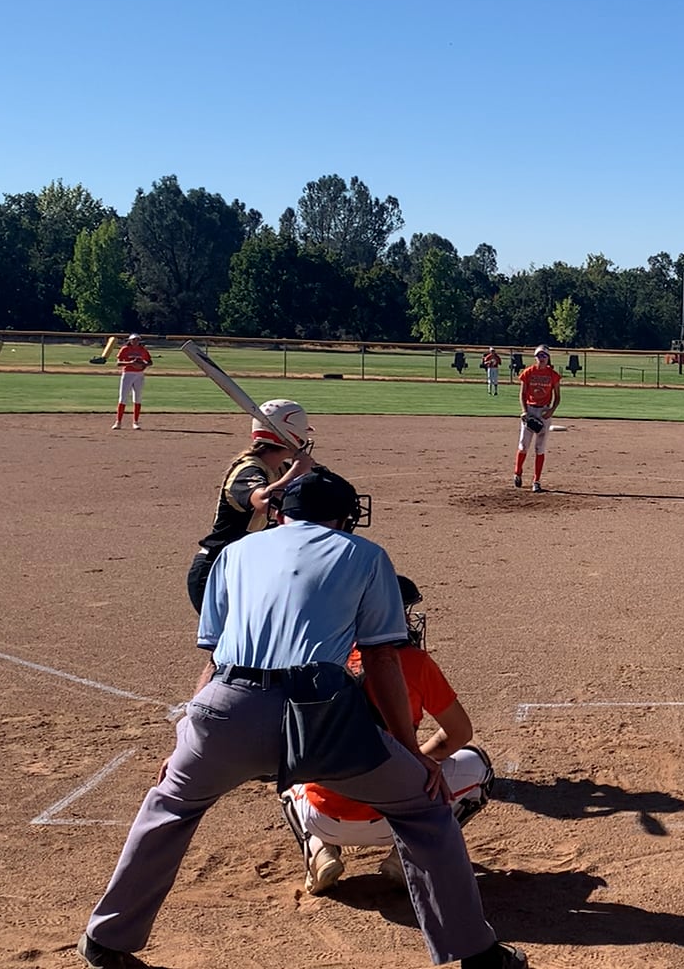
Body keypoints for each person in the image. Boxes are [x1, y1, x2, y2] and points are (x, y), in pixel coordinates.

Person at [80, 470, 527, 969]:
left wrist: (184, 740)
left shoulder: (235, 553)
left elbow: (213, 659)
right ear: (344, 517)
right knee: (423, 806)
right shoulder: (364, 555)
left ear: (281, 512)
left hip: (225, 706)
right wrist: (407, 750)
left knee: (169, 806)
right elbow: (381, 659)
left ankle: (106, 939)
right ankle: (477, 956)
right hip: (319, 714)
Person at [281, 575, 495, 893]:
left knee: (289, 768)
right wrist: (417, 760)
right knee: (480, 766)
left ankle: (318, 849)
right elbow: (459, 733)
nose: (407, 619)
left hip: (323, 816)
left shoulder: (318, 658)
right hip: (396, 817)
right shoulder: (416, 663)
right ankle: (410, 852)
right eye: (402, 611)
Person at [185, 399, 315, 613]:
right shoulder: (247, 470)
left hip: (248, 567)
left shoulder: (280, 469)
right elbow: (264, 501)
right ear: (293, 434)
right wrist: (297, 472)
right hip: (218, 570)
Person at [513, 345, 562, 492]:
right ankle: (517, 472)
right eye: (539, 355)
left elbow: (557, 397)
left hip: (544, 411)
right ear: (535, 357)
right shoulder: (528, 372)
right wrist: (524, 411)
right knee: (523, 445)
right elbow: (522, 394)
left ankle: (536, 481)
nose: (541, 358)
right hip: (530, 410)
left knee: (540, 448)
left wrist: (551, 411)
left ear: (548, 358)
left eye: (544, 355)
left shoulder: (553, 375)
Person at [112, 334, 152, 430]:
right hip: (128, 374)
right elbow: (118, 363)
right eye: (134, 340)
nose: (136, 341)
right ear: (130, 340)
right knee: (123, 398)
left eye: (137, 340)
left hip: (139, 374)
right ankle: (118, 422)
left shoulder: (142, 350)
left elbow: (150, 362)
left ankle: (135, 422)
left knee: (138, 398)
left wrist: (143, 365)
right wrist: (130, 363)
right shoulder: (125, 349)